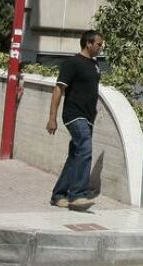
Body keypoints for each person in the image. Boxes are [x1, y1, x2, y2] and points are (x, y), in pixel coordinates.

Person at [47, 30, 104, 211]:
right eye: (98, 44)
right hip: (74, 115)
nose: (101, 48)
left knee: (75, 156)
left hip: (88, 117)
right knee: (85, 149)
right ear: (88, 43)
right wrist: (52, 118)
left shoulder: (95, 65)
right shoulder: (72, 63)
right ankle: (78, 194)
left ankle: (58, 195)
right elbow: (58, 89)